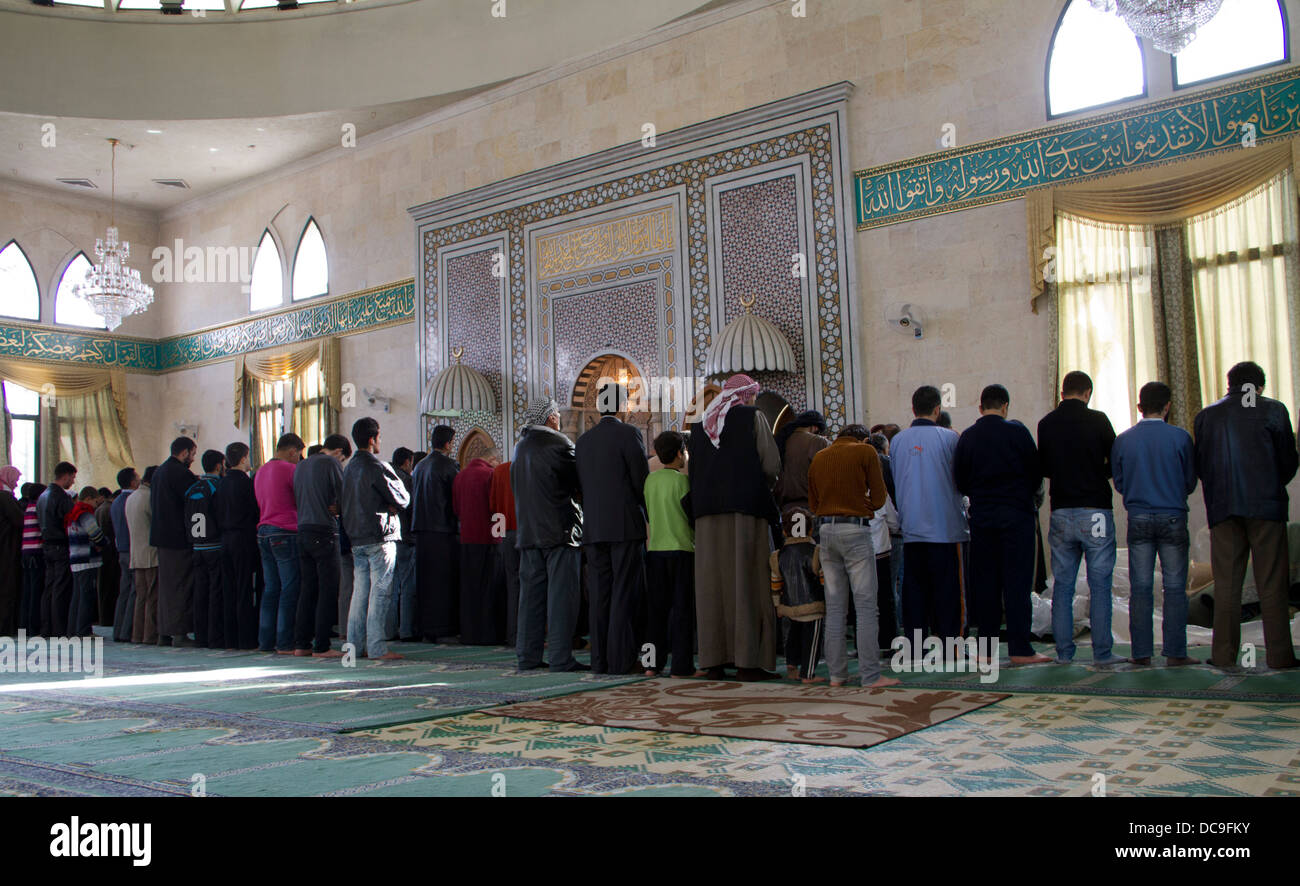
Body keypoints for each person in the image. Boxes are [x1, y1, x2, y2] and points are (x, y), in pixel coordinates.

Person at [1193, 361, 1298, 670]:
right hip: (1266, 508)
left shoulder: (1206, 416)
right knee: (1271, 583)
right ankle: (1280, 657)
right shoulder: (1274, 410)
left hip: (1223, 509)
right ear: (1259, 386)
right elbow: (1288, 462)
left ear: (1229, 385)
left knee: (1226, 584)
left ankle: (1224, 656)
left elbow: (1201, 466)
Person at [688, 373, 780, 681]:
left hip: (706, 519)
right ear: (748, 395)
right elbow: (770, 465)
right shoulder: (753, 417)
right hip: (746, 513)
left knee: (712, 586)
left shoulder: (701, 425)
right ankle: (748, 662)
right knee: (749, 582)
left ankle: (713, 661)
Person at [954, 384, 1051, 664]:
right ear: (1005, 406)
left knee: (986, 585)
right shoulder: (1017, 432)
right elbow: (1036, 475)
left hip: (983, 519)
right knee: (1017, 584)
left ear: (980, 407)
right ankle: (1020, 649)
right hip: (1017, 517)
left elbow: (960, 482)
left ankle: (986, 651)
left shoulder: (969, 437)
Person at [1111, 381, 1200, 667]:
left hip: (1138, 516)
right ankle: (1175, 652)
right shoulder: (1181, 437)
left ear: (1139, 407)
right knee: (1174, 588)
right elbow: (1189, 481)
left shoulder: (1123, 440)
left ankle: (1141, 653)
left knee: (1141, 587)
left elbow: (1120, 482)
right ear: (1168, 406)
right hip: (1173, 515)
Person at [1038, 371, 1122, 666]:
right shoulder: (1098, 420)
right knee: (1100, 584)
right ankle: (1102, 653)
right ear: (1087, 392)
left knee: (1063, 584)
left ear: (1062, 393)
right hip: (1095, 509)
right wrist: (1099, 472)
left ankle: (1063, 653)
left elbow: (1044, 466)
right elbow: (1115, 459)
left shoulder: (1046, 423)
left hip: (1061, 509)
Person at [807, 424, 899, 688]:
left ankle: (837, 675)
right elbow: (880, 498)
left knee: (835, 607)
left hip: (826, 531)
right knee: (866, 606)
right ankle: (871, 675)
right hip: (855, 531)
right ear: (864, 439)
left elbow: (813, 503)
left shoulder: (821, 456)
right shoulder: (865, 452)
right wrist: (862, 506)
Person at [575, 382, 649, 675]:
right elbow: (640, 479)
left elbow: (580, 485)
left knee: (599, 595)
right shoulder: (628, 433)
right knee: (623, 591)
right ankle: (620, 661)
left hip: (593, 528)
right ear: (621, 406)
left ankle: (599, 661)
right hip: (624, 526)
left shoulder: (583, 440)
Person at [891, 387, 970, 655]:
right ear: (937, 409)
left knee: (914, 590)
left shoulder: (898, 441)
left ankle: (914, 645)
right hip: (945, 527)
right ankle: (952, 645)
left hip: (912, 528)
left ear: (913, 409)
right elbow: (962, 479)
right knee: (949, 590)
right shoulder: (949, 438)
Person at [512, 397, 587, 672]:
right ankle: (559, 657)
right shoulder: (559, 444)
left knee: (530, 598)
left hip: (528, 533)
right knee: (560, 597)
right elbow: (580, 481)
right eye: (557, 415)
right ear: (551, 418)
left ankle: (528, 657)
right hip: (560, 532)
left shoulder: (520, 448)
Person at [342, 417, 410, 661]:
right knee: (380, 592)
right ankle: (378, 648)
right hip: (380, 537)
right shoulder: (376, 466)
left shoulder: (348, 468)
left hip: (356, 538)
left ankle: (355, 647)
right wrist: (391, 504)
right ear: (372, 439)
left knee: (359, 594)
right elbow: (403, 498)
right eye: (379, 437)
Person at [643, 431, 699, 678]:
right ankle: (681, 667)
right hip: (681, 551)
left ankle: (651, 665)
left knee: (655, 611)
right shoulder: (682, 482)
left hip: (655, 551)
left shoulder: (649, 481)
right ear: (679, 453)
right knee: (682, 611)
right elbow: (692, 518)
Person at [294, 434, 350, 657]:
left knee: (308, 589)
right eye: (344, 458)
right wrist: (339, 508)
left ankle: (302, 644)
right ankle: (322, 646)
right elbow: (343, 493)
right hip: (324, 531)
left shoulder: (301, 465)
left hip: (303, 529)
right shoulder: (330, 462)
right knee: (328, 590)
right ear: (339, 451)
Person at [256, 434, 305, 654]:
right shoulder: (289, 470)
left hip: (263, 531)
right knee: (289, 587)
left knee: (271, 589)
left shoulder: (260, 471)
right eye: (299, 455)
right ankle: (285, 642)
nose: (299, 459)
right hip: (285, 531)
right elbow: (300, 498)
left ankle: (266, 641)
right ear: (293, 451)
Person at [411, 425, 460, 643]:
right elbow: (456, 500)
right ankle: (442, 627)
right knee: (442, 580)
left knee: (424, 580)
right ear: (449, 443)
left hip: (421, 530)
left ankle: (425, 627)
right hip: (442, 530)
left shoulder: (419, 466)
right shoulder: (449, 465)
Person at [453, 446, 505, 645]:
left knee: (470, 588)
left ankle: (469, 633)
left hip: (466, 540)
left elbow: (457, 508)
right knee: (489, 588)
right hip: (488, 540)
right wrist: (499, 537)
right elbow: (497, 509)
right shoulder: (490, 475)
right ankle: (488, 634)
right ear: (493, 459)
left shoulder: (460, 476)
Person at [151, 437, 199, 647]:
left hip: (162, 537)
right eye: (193, 454)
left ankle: (164, 632)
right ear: (184, 452)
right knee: (181, 585)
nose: (193, 458)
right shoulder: (181, 473)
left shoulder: (159, 472)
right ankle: (179, 633)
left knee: (167, 587)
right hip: (178, 537)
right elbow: (194, 504)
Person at [770, 507, 825, 683]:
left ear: (785, 531)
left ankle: (791, 666)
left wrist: (777, 604)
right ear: (810, 529)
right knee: (812, 641)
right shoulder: (816, 552)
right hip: (813, 606)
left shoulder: (777, 556)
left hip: (788, 605)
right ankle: (808, 674)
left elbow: (775, 583)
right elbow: (823, 580)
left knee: (792, 637)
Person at [217, 443, 260, 650]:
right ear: (243, 459)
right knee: (244, 588)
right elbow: (254, 510)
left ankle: (230, 637)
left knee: (229, 588)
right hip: (243, 538)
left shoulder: (222, 483)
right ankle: (245, 638)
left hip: (224, 539)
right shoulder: (246, 482)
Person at [185, 450, 226, 648]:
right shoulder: (217, 487)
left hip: (196, 546)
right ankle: (215, 637)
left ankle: (200, 635)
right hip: (214, 545)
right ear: (219, 465)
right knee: (215, 592)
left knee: (199, 592)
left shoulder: (192, 488)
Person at [38, 461, 77, 637]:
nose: (73, 481)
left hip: (46, 545)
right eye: (73, 477)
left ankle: (46, 628)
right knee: (60, 589)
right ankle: (59, 629)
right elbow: (72, 519)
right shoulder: (61, 497)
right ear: (66, 475)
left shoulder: (43, 495)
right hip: (61, 546)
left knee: (49, 588)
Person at [65, 487, 108, 637]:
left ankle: (73, 630)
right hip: (87, 560)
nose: (97, 505)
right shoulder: (85, 513)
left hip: (76, 559)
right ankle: (83, 631)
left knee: (77, 596)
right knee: (86, 596)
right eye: (96, 501)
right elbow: (96, 535)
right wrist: (105, 543)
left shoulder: (73, 513)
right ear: (89, 498)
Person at [489, 451, 521, 647]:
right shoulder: (526, 467)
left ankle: (513, 635)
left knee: (512, 585)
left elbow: (493, 505)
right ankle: (529, 636)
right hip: (527, 532)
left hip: (505, 532)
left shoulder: (499, 471)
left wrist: (498, 535)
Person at [125, 467, 159, 644]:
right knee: (152, 597)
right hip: (150, 554)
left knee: (141, 597)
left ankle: (137, 634)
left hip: (136, 554)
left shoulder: (131, 497)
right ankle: (150, 635)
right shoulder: (149, 498)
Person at [774, 410, 829, 516]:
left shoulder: (781, 440)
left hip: (786, 510)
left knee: (796, 532)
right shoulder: (817, 441)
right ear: (814, 428)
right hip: (810, 509)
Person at [389, 447, 418, 641]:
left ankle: (388, 630)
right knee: (408, 585)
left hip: (390, 537)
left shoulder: (387, 477)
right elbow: (411, 509)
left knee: (391, 586)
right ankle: (407, 629)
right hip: (406, 538)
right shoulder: (406, 480)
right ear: (408, 462)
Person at [110, 468, 139, 643]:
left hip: (121, 549)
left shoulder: (115, 501)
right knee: (135, 591)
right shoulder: (132, 500)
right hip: (132, 549)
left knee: (124, 592)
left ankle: (118, 629)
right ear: (133, 482)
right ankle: (127, 631)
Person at [18, 483, 44, 635]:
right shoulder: (37, 508)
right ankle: (33, 627)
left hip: (26, 553)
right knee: (35, 591)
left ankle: (24, 626)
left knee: (27, 591)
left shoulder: (27, 508)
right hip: (36, 552)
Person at [0, 466, 23, 635]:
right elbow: (19, 520)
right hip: (6, 550)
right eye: (15, 479)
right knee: (6, 590)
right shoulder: (5, 497)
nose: (16, 483)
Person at [94, 487, 119, 629]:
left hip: (101, 553)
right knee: (110, 586)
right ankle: (108, 618)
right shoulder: (110, 509)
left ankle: (103, 618)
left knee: (103, 586)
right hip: (110, 552)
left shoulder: (99, 509)